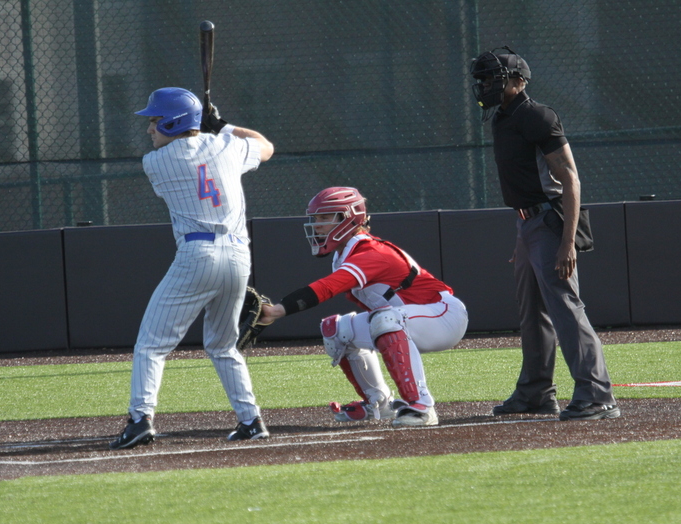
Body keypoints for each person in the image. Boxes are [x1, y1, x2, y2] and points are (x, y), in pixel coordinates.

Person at [109, 87, 274, 449]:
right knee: (223, 346)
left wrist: (210, 128)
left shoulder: (156, 162)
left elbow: (193, 152)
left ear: (172, 121)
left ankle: (140, 420)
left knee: (151, 345)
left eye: (155, 121)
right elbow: (265, 146)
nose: (149, 129)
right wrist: (224, 126)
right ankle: (251, 420)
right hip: (239, 257)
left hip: (198, 256)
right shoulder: (227, 146)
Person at [469, 47, 620, 421]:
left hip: (550, 222)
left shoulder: (537, 115)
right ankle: (536, 392)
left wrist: (567, 242)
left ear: (518, 81)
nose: (486, 84)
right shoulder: (502, 118)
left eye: (493, 78)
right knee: (532, 312)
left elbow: (570, 178)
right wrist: (524, 239)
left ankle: (597, 395)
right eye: (483, 79)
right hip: (527, 226)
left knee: (566, 309)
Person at [258, 187, 468, 427]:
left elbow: (328, 287)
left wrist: (277, 310)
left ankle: (421, 406)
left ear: (349, 217)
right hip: (412, 317)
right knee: (336, 330)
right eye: (315, 218)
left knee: (385, 319)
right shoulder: (346, 254)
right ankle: (379, 403)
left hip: (442, 315)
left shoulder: (372, 252)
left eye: (325, 218)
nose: (317, 225)